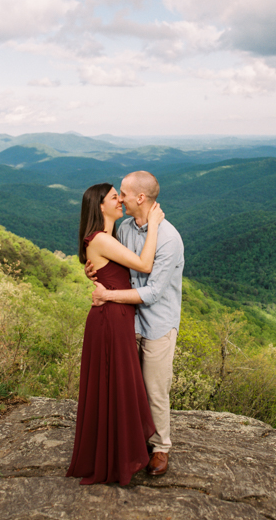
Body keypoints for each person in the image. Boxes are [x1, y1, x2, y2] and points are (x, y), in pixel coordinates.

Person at [66, 182, 164, 486]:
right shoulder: (101, 239)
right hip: (111, 319)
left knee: (115, 385)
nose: (120, 200)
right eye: (114, 197)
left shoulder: (108, 237)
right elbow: (145, 265)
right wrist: (155, 227)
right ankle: (116, 457)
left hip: (115, 317)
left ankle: (117, 451)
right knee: (115, 383)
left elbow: (103, 267)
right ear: (100, 206)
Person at [87, 171, 184, 477]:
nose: (121, 198)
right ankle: (134, 441)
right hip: (129, 323)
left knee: (155, 389)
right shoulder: (125, 229)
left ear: (140, 198)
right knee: (132, 387)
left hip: (157, 325)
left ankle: (160, 447)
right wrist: (94, 273)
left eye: (124, 193)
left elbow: (153, 292)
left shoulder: (169, 238)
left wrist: (108, 294)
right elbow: (112, 260)